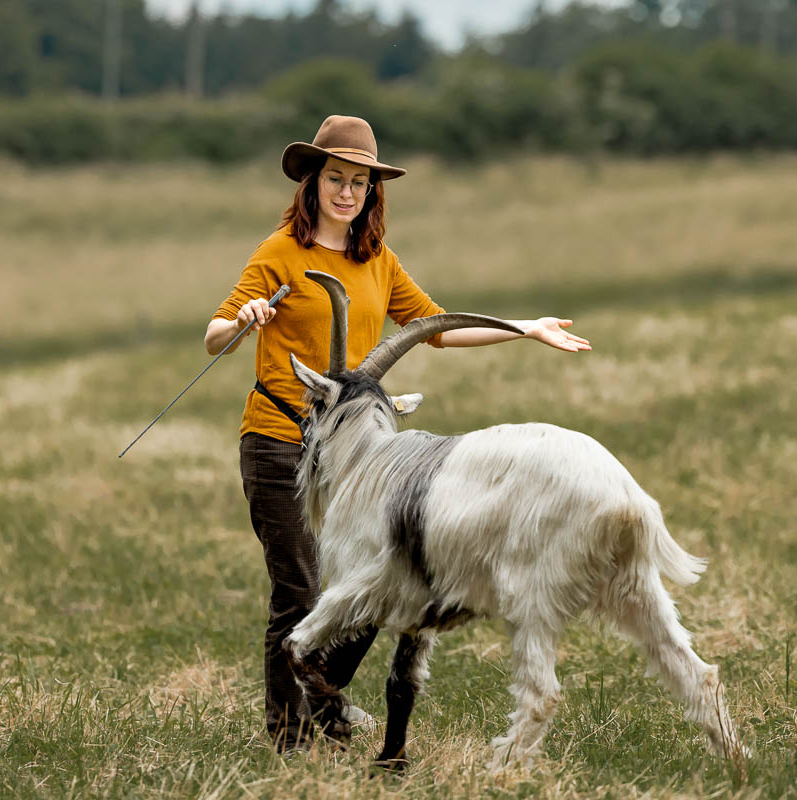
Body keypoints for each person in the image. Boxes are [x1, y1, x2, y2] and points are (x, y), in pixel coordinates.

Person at [204, 115, 590, 753]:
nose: (347, 193)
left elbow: (438, 327)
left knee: (374, 581)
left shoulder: (376, 261)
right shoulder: (279, 253)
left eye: (360, 182)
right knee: (300, 588)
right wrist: (244, 319)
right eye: (336, 178)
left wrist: (523, 326)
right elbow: (215, 336)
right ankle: (290, 735)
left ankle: (322, 701)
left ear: (371, 193)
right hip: (280, 441)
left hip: (357, 453)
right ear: (313, 182)